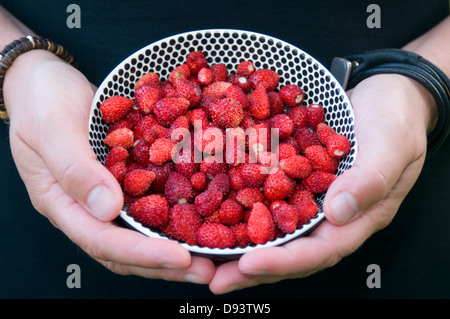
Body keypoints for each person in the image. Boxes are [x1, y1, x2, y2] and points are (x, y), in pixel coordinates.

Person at [0, 0, 449, 296]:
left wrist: (417, 83)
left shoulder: (263, 139)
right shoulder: (163, 138)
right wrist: (20, 67)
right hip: (60, 155)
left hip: (388, 199)